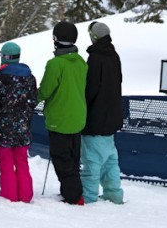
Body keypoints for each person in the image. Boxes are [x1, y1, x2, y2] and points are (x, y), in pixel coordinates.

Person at [38, 20, 88, 205]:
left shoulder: (55, 64)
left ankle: (74, 196)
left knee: (62, 159)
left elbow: (45, 90)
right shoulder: (81, 62)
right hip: (78, 118)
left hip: (59, 119)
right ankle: (69, 192)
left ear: (55, 40)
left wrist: (30, 100)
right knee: (73, 158)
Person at [0, 41, 38, 203]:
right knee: (22, 162)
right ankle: (26, 195)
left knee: (5, 162)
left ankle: (9, 195)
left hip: (2, 127)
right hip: (22, 127)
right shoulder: (29, 77)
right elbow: (33, 100)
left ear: (4, 57)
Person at [80, 21, 124, 204]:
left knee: (92, 160)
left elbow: (90, 89)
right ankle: (114, 194)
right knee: (110, 160)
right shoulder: (114, 56)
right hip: (111, 117)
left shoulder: (95, 58)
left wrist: (84, 108)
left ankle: (88, 196)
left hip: (96, 118)